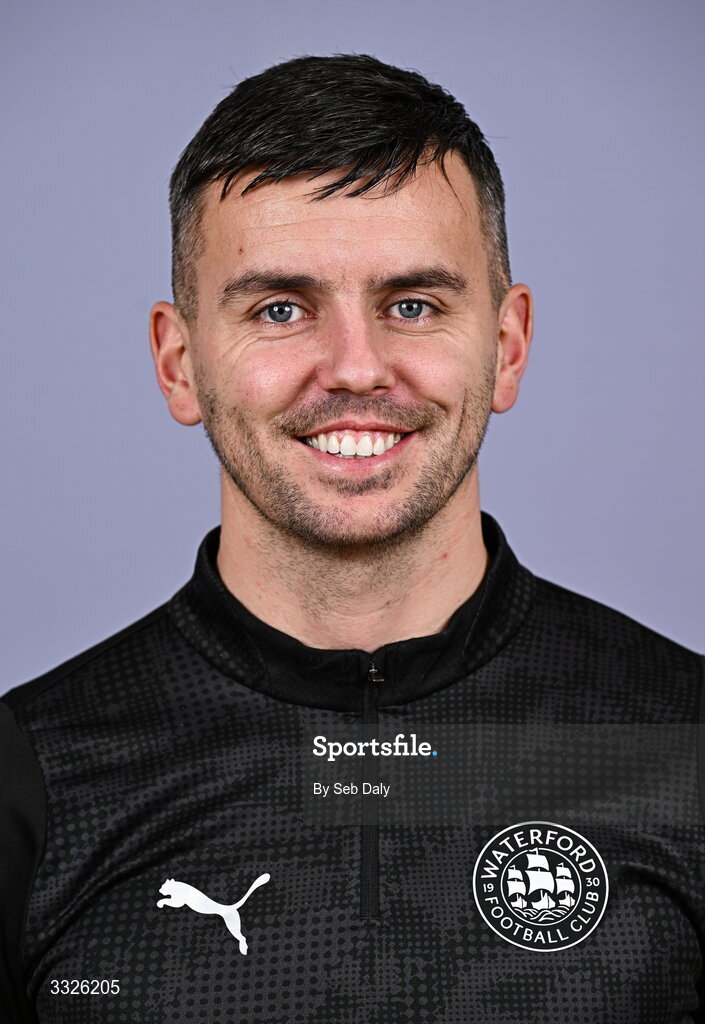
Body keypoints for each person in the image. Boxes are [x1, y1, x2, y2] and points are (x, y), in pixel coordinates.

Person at [1, 53, 703, 1024]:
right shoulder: (31, 778)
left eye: (412, 305)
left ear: (506, 346)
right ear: (179, 362)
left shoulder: (684, 739)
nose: (355, 368)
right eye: (280, 308)